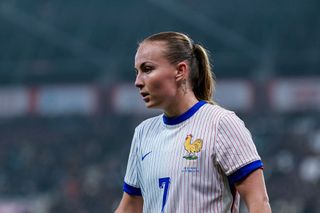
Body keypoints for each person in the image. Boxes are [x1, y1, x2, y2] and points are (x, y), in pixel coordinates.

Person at [115, 31, 271, 213]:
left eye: (147, 69)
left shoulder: (221, 123)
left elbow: (258, 202)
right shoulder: (143, 132)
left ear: (180, 71)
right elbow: (131, 205)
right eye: (137, 72)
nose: (137, 81)